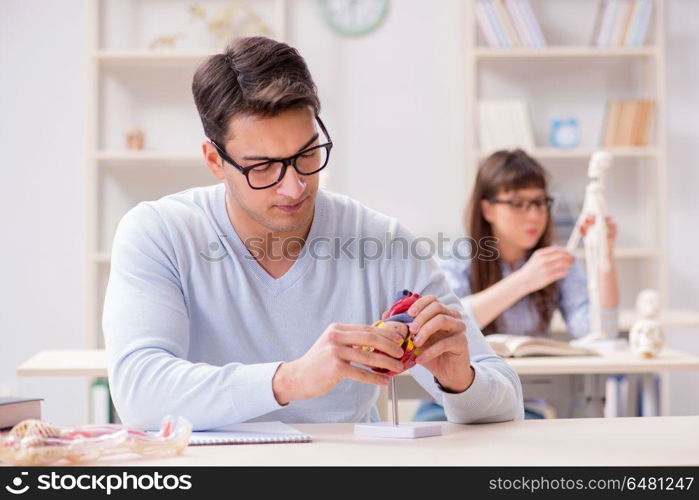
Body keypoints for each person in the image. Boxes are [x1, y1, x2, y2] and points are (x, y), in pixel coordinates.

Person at [102, 36, 523, 430]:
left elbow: (506, 402)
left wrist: (461, 382)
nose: (294, 186)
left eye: (306, 154)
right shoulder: (159, 233)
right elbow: (139, 394)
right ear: (215, 160)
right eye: (262, 167)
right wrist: (289, 380)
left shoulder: (381, 241)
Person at [413, 149, 619, 421]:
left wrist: (603, 253)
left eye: (539, 202)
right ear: (487, 209)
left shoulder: (557, 260)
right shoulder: (458, 256)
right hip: (448, 403)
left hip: (523, 406)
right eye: (518, 204)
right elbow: (445, 322)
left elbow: (598, 329)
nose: (534, 215)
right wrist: (523, 281)